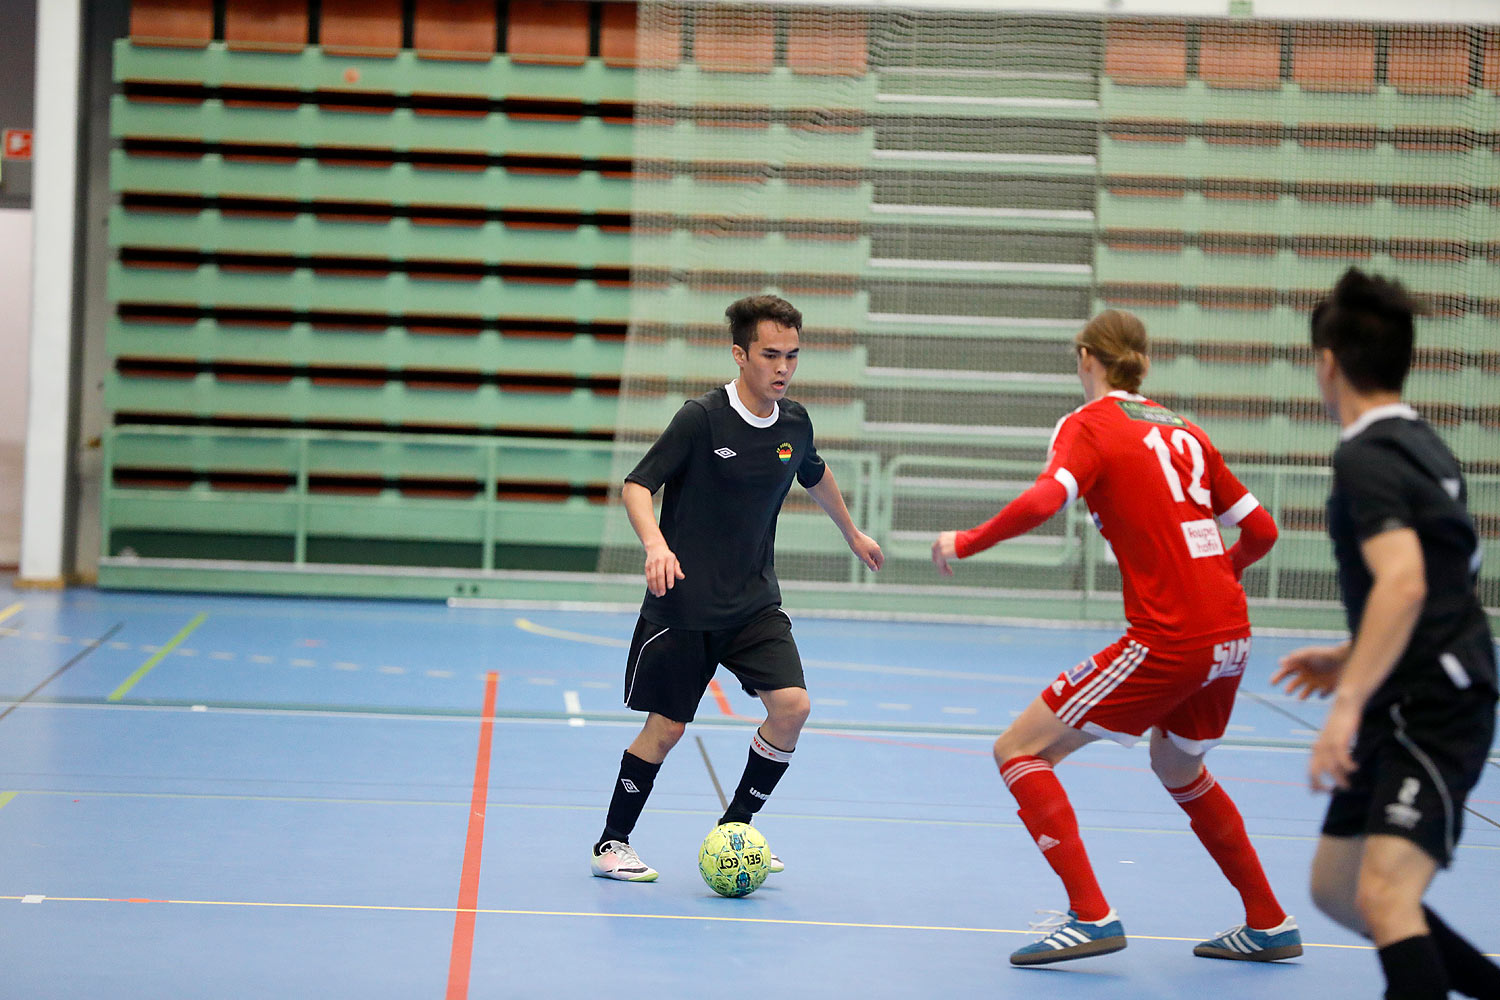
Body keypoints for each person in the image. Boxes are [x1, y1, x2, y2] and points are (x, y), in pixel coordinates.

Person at [931, 309, 1300, 966]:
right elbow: (1264, 531)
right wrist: (1219, 574)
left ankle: (1091, 915)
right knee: (1179, 766)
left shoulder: (1090, 425)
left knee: (1018, 750)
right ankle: (1269, 921)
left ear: (1085, 357)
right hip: (1232, 635)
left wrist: (966, 541)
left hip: (1172, 635)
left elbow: (1047, 501)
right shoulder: (1185, 428)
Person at [590, 294, 884, 882]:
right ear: (740, 354)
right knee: (666, 730)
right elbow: (636, 485)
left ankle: (736, 829)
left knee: (792, 707)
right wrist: (655, 544)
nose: (782, 368)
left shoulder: (795, 422)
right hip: (685, 604)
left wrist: (852, 532)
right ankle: (611, 844)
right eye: (770, 355)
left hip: (753, 603)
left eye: (793, 356)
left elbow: (814, 471)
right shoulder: (701, 418)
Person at [1272, 268, 1499, 1000]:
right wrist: (1350, 656)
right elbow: (1443, 575)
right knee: (1339, 889)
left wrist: (1344, 707)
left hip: (1431, 705)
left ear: (1328, 363)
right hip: (1408, 690)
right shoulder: (1422, 443)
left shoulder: (1364, 457)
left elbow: (1403, 582)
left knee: (1386, 897)